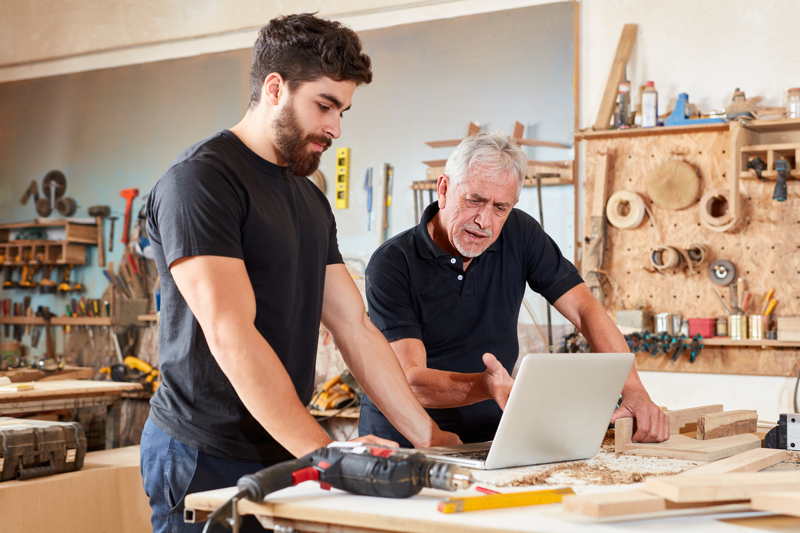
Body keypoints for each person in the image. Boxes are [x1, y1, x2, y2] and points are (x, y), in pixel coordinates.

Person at [140, 14, 459, 533]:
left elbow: (354, 326)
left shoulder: (309, 198)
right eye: (324, 106)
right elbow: (230, 331)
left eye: (343, 111)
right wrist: (326, 453)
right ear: (275, 89)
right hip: (204, 450)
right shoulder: (201, 182)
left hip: (281, 445)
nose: (335, 128)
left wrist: (427, 435)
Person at [360, 132, 669, 448]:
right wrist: (484, 385)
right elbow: (409, 380)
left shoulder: (520, 233)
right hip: (406, 438)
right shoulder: (393, 263)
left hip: (489, 433)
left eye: (500, 207)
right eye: (474, 200)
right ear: (443, 189)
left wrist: (633, 389)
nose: (484, 221)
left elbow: (584, 308)